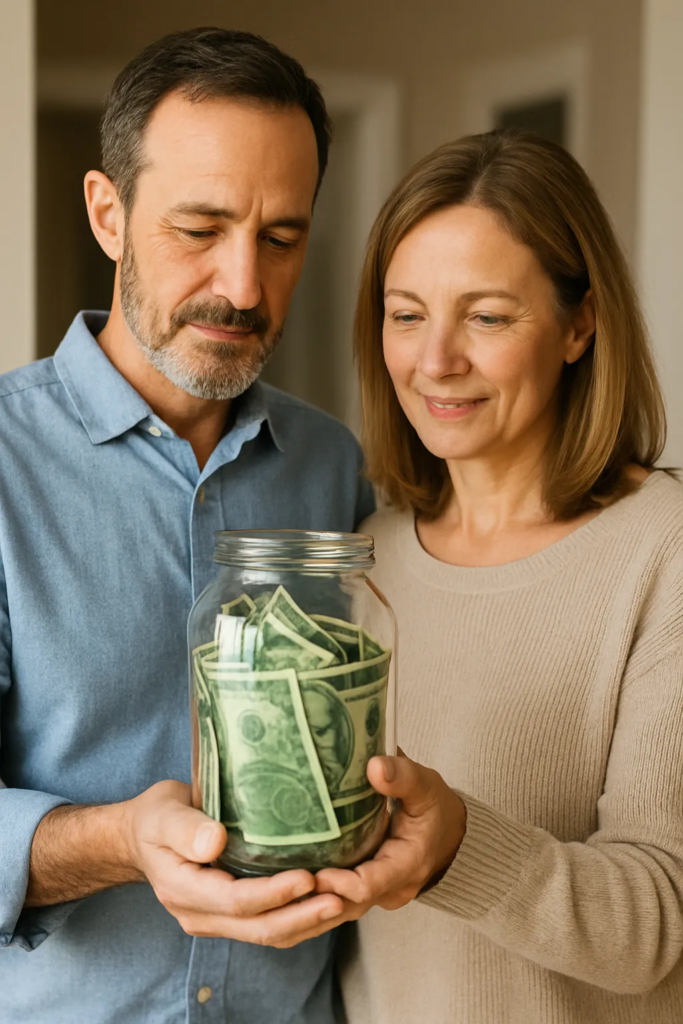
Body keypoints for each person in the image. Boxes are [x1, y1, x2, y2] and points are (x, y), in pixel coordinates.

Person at [0, 27, 374, 1024]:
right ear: (107, 213)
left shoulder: (335, 467)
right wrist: (122, 837)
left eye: (281, 237)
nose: (244, 286)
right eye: (200, 227)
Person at [287, 130, 683, 1023]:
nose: (434, 362)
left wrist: (459, 846)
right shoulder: (363, 558)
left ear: (580, 324)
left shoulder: (663, 552)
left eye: (487, 316)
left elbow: (657, 923)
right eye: (406, 313)